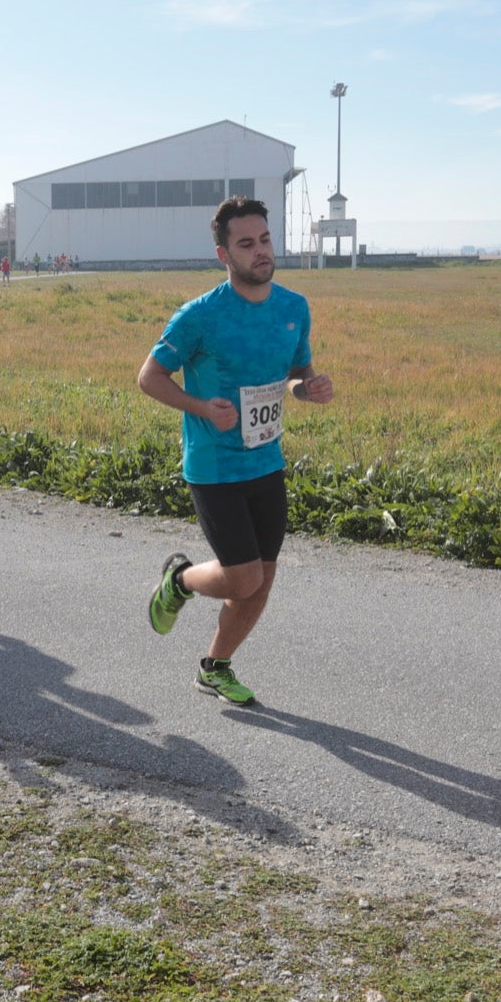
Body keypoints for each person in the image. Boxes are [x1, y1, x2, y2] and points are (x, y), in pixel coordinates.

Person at [137, 196, 334, 706]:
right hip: (215, 464)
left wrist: (307, 389)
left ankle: (215, 667)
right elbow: (150, 378)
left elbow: (293, 375)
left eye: (264, 239)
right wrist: (202, 407)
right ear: (223, 254)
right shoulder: (200, 316)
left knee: (263, 579)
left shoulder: (293, 308)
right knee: (243, 576)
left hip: (266, 459)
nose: (260, 251)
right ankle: (178, 579)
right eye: (245, 244)